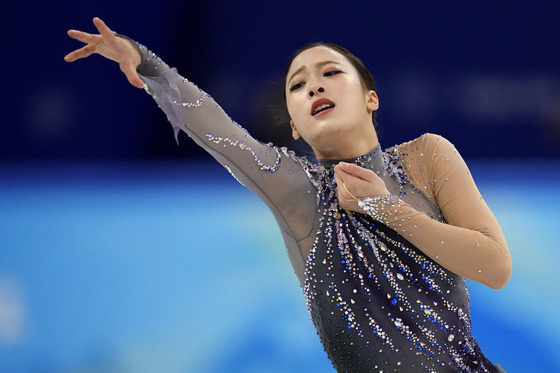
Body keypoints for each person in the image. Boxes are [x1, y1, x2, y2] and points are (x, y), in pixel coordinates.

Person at [65, 17, 511, 373]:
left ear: (371, 98)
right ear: (295, 125)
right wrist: (146, 63)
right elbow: (218, 131)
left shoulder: (427, 158)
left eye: (331, 73)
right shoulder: (299, 193)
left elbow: (493, 266)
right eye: (298, 85)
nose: (314, 86)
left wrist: (383, 207)